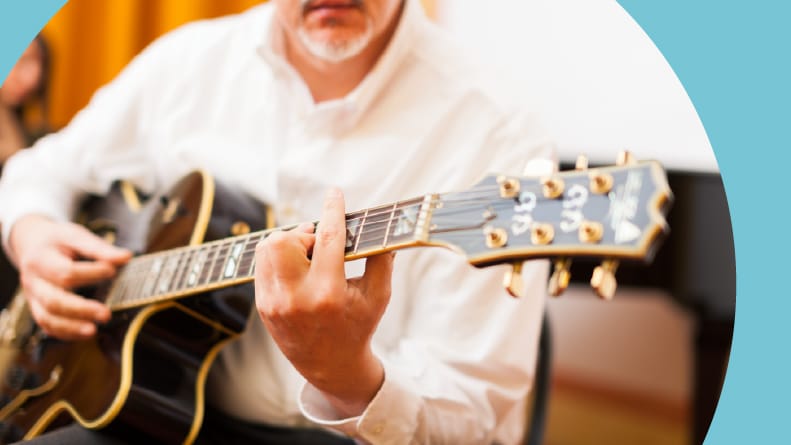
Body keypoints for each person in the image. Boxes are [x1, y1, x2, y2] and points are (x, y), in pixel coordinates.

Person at [0, 0, 555, 443]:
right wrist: (30, 233)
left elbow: (476, 417)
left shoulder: (497, 129)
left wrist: (347, 376)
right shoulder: (187, 62)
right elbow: (40, 170)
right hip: (148, 409)